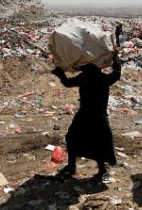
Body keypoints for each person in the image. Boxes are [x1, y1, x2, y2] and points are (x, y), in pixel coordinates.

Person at [51, 49, 121, 183]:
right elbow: (117, 74)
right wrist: (116, 59)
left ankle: (76, 166)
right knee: (96, 141)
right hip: (97, 115)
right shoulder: (100, 78)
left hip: (87, 114)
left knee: (75, 138)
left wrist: (60, 73)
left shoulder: (86, 77)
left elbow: (67, 82)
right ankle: (98, 169)